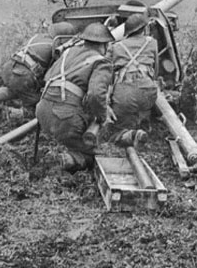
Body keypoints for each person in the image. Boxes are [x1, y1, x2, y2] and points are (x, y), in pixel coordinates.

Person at [35, 22, 114, 173]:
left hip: (42, 112)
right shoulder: (101, 62)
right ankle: (69, 159)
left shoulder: (67, 53)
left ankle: (65, 146)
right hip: (65, 117)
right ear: (104, 45)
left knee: (71, 132)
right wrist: (102, 116)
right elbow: (96, 95)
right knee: (93, 154)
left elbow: (47, 78)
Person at [103, 12, 159, 146]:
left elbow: (106, 75)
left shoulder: (115, 46)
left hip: (125, 95)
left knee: (115, 130)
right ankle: (143, 124)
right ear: (144, 28)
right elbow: (156, 71)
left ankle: (128, 134)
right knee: (141, 106)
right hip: (148, 92)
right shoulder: (152, 43)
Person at [0, 22, 76, 111]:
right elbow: (52, 76)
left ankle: (10, 107)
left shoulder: (38, 37)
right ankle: (15, 114)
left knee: (22, 93)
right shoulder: (53, 47)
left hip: (8, 69)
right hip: (20, 77)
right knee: (38, 104)